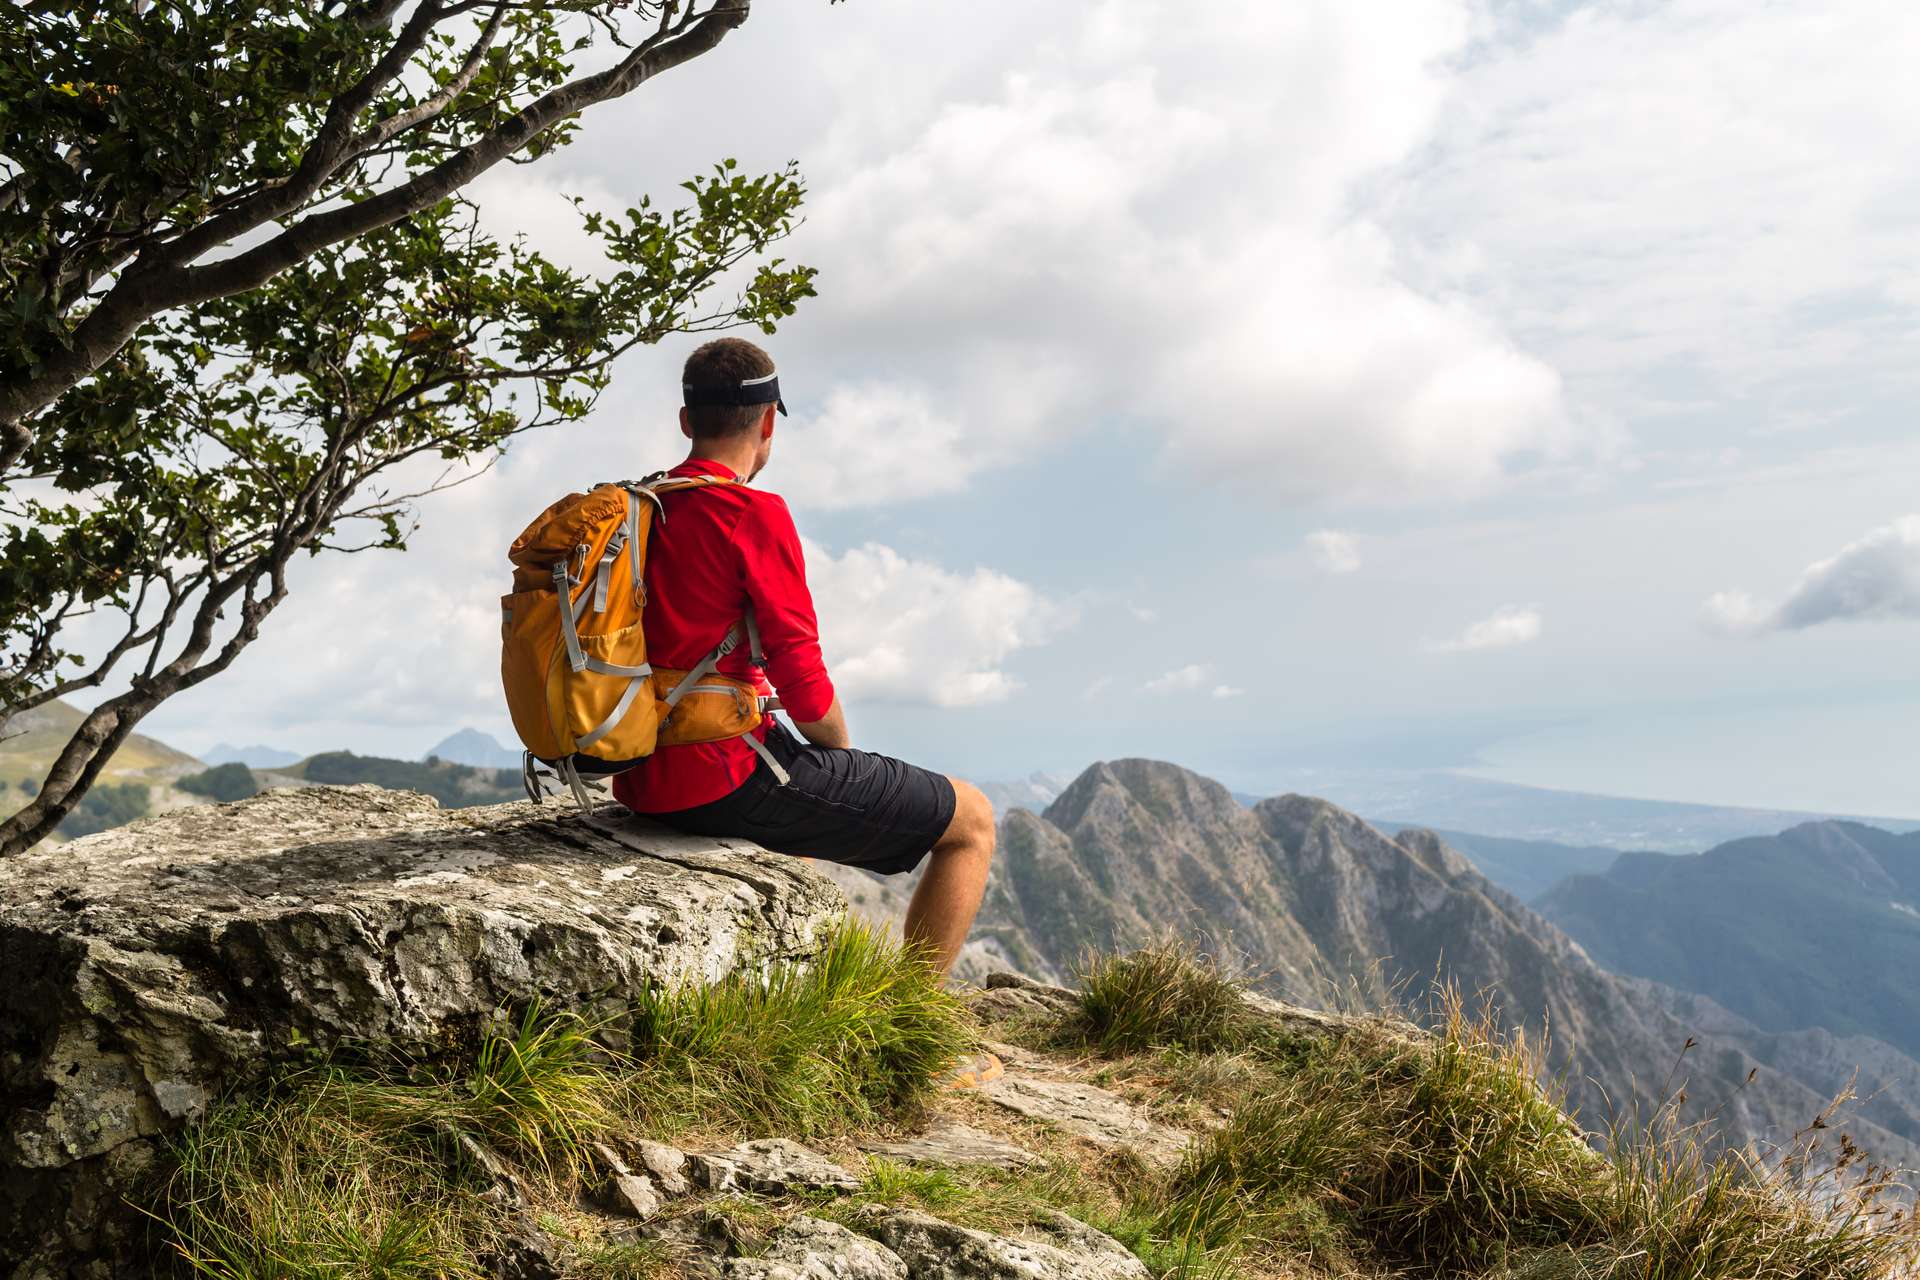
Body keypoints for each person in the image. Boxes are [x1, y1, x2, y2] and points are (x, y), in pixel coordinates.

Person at [612, 337, 997, 985]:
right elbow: (803, 677)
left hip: (641, 775)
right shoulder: (751, 511)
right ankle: (915, 1024)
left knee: (808, 825)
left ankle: (799, 984)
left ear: (686, 422)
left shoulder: (641, 505)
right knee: (972, 822)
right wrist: (841, 756)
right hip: (722, 776)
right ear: (767, 424)